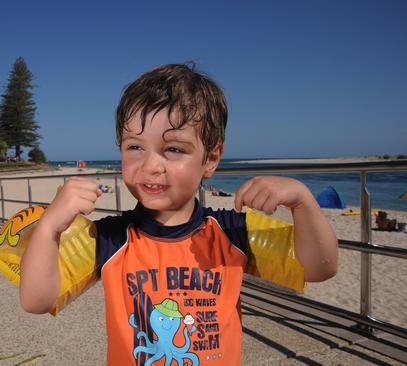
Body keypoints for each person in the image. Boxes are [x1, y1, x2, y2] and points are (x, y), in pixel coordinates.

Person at [18, 63, 338, 365]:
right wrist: (49, 229)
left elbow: (318, 268)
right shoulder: (110, 238)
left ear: (210, 160)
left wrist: (302, 202)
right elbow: (37, 301)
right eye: (134, 147)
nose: (151, 165)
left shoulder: (232, 232)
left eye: (173, 149)